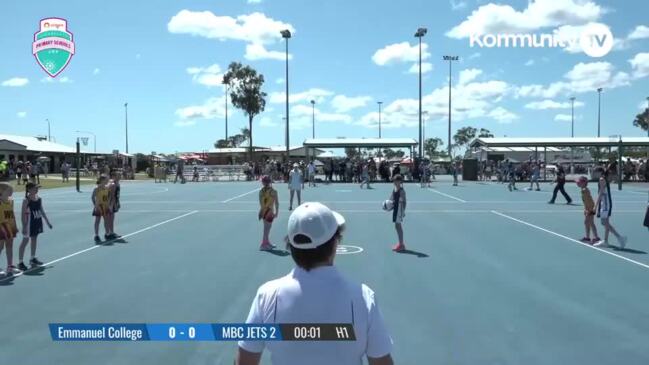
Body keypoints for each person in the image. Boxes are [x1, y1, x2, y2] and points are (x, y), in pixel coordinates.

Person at [236, 202, 394, 365]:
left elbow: (245, 360)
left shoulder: (267, 295)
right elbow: (381, 360)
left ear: (291, 245)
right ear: (335, 244)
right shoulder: (363, 298)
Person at [17, 183, 52, 271]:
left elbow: (42, 211)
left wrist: (48, 222)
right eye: (35, 188)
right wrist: (24, 226)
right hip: (29, 223)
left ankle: (32, 258)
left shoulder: (39, 199)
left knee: (34, 239)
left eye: (37, 188)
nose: (37, 190)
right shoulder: (26, 200)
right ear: (29, 189)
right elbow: (22, 214)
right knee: (25, 241)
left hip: (37, 221)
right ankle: (20, 262)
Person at [594, 169, 627, 248]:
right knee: (606, 223)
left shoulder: (602, 179)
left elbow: (601, 193)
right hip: (606, 202)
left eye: (595, 172)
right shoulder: (604, 179)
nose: (594, 173)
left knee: (604, 222)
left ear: (599, 172)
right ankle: (606, 241)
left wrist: (595, 206)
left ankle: (620, 237)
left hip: (605, 203)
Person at [0, 182, 20, 276]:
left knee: (10, 246)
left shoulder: (11, 201)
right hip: (1, 226)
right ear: (2, 191)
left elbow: (12, 214)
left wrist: (15, 226)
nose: (11, 191)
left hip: (10, 226)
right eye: (9, 189)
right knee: (0, 247)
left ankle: (10, 266)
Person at [576, 176, 600, 244]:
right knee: (587, 222)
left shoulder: (585, 190)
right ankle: (588, 237)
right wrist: (585, 209)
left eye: (579, 182)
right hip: (588, 208)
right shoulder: (583, 190)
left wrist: (589, 210)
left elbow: (589, 201)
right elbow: (586, 201)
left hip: (590, 208)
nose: (577, 184)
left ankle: (595, 237)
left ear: (583, 183)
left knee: (590, 222)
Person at [258, 175, 279, 251]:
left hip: (263, 211)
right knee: (267, 228)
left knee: (267, 227)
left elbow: (261, 202)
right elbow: (276, 203)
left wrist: (262, 211)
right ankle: (263, 244)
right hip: (269, 211)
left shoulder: (261, 191)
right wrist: (276, 212)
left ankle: (267, 242)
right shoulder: (274, 191)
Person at [91, 175, 113, 244]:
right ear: (102, 180)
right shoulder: (97, 188)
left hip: (105, 206)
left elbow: (109, 196)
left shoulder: (107, 188)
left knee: (106, 220)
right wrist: (95, 205)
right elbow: (92, 197)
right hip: (99, 206)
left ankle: (107, 233)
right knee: (97, 220)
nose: (107, 181)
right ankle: (96, 235)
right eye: (106, 180)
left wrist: (108, 204)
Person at [390, 175, 407, 252]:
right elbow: (391, 199)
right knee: (397, 226)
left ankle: (401, 245)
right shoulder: (394, 189)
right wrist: (388, 204)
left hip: (399, 210)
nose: (394, 182)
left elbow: (404, 202)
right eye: (393, 181)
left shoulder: (401, 191)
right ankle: (401, 244)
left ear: (400, 182)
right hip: (395, 210)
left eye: (395, 181)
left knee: (398, 226)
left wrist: (403, 211)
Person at [107, 172, 122, 240]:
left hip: (115, 201)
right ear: (114, 176)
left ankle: (111, 232)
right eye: (118, 175)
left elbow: (117, 195)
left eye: (120, 175)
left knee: (112, 218)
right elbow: (112, 195)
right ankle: (110, 232)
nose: (120, 176)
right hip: (111, 203)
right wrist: (113, 204)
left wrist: (118, 202)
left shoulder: (117, 183)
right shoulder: (113, 184)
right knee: (110, 218)